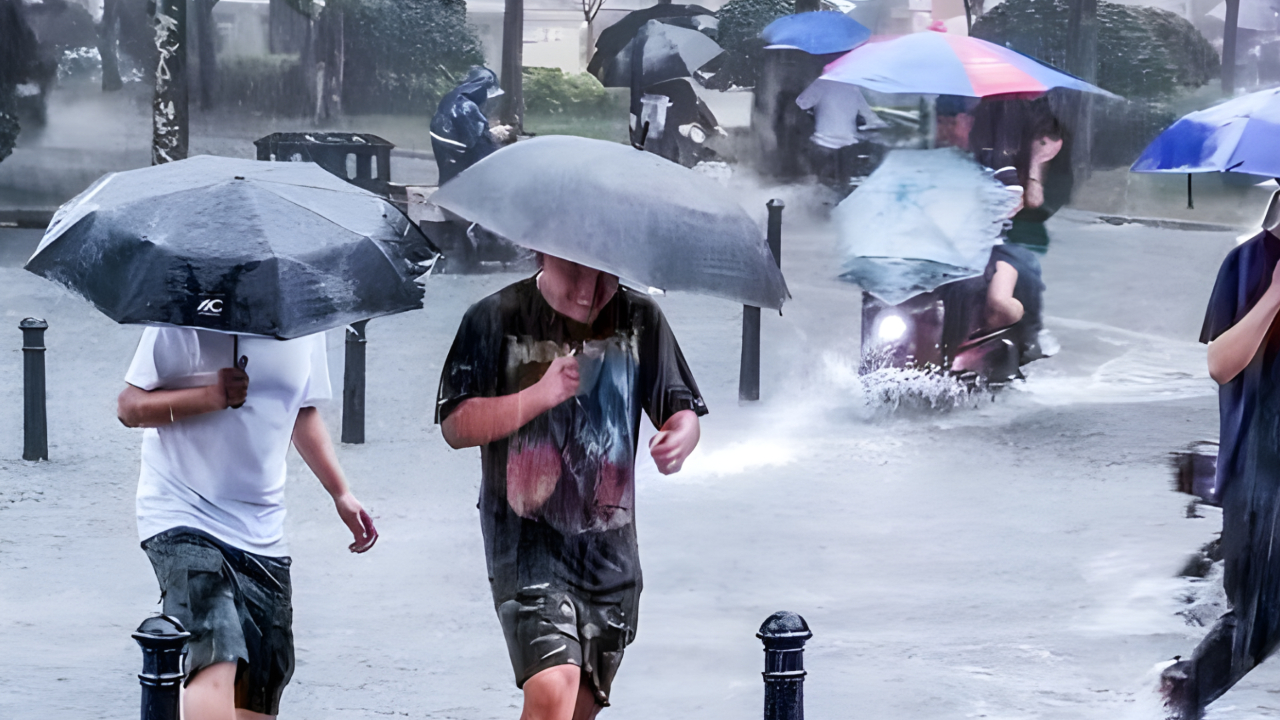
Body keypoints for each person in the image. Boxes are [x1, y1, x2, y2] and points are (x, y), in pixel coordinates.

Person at [436, 253, 705, 720]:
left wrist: (681, 436)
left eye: (604, 276)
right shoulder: (494, 318)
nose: (588, 291)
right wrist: (539, 395)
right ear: (544, 252)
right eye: (575, 273)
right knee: (552, 688)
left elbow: (679, 409)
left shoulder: (641, 318)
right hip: (526, 545)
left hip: (611, 557)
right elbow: (456, 425)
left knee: (576, 708)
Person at [117, 328, 378, 720]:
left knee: (261, 687)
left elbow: (300, 409)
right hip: (183, 511)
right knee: (215, 647)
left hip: (262, 528)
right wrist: (212, 396)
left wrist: (340, 492)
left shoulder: (303, 314)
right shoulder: (182, 313)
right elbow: (130, 407)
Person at [1161, 208, 1280, 720]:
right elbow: (1220, 364)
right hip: (1262, 471)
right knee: (1257, 621)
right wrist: (1274, 297)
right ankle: (1180, 694)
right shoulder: (1248, 263)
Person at [795, 79, 888, 186]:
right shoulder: (853, 88)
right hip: (848, 140)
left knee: (821, 180)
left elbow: (803, 103)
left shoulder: (822, 84)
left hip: (823, 140)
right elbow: (868, 113)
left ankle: (823, 188)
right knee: (844, 180)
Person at [431, 67, 512, 185]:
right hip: (467, 175)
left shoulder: (450, 100)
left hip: (449, 174)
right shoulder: (466, 107)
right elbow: (482, 148)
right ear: (479, 89)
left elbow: (467, 134)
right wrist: (497, 138)